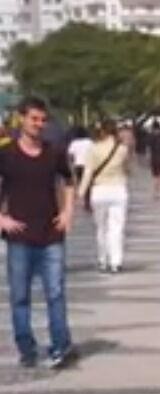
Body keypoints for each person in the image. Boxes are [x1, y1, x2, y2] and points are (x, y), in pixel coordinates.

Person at [0, 97, 77, 368]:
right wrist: (2, 219)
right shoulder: (6, 153)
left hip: (51, 234)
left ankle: (60, 345)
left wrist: (68, 211)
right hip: (20, 236)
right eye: (34, 119)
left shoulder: (53, 151)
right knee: (20, 296)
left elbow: (69, 181)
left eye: (43, 120)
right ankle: (27, 348)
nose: (39, 124)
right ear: (21, 118)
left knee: (55, 293)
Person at [79, 119, 131, 274]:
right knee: (117, 228)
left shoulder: (93, 149)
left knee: (101, 228)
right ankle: (116, 261)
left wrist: (81, 193)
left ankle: (103, 260)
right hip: (118, 190)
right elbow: (127, 169)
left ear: (101, 131)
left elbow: (88, 172)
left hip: (99, 190)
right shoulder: (122, 149)